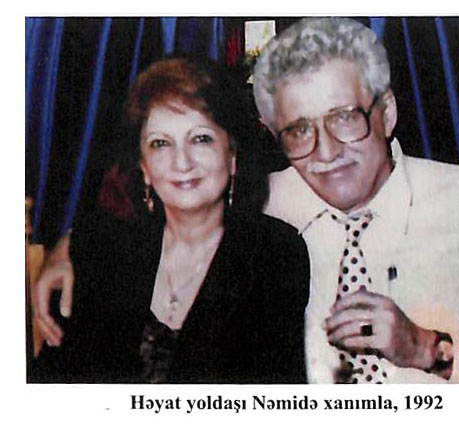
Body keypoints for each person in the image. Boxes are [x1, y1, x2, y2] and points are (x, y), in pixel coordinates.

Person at [33, 17, 459, 383]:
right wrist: (66, 249)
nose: (326, 151)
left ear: (386, 112)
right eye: (300, 129)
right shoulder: (268, 204)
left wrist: (430, 350)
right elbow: (172, 214)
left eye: (345, 117)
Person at [31, 56, 309, 383]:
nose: (182, 162)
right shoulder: (101, 250)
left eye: (201, 138)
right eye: (161, 143)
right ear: (144, 168)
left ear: (232, 154)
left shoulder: (276, 255)